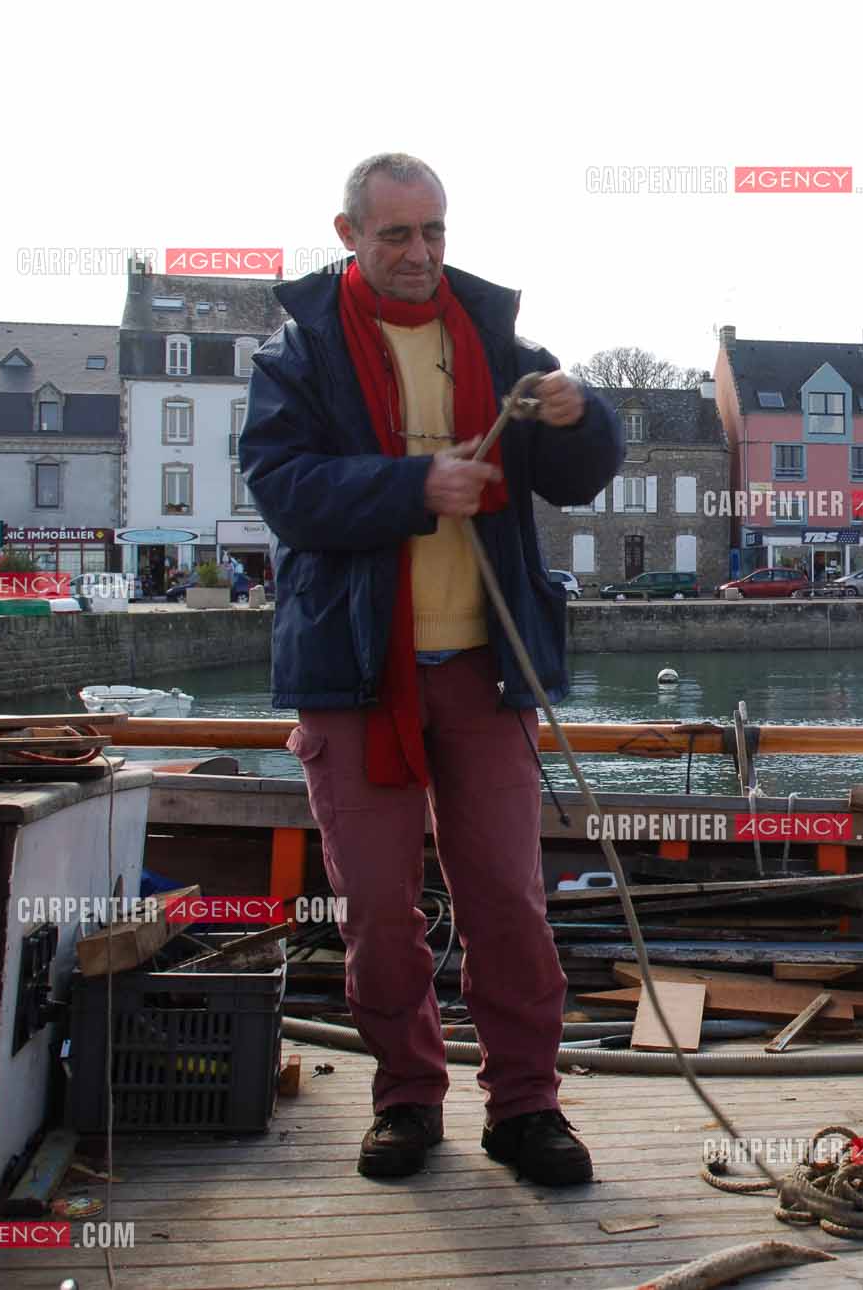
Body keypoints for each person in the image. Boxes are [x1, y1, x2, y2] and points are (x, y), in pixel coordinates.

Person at [241, 153, 621, 1185]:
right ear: (348, 234)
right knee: (374, 908)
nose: (418, 255)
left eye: (434, 233)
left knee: (506, 896)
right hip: (354, 674)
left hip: (485, 669)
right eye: (395, 235)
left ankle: (525, 1108)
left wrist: (585, 417)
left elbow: (583, 478)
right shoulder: (296, 357)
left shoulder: (502, 347)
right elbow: (285, 492)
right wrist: (416, 486)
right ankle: (406, 1099)